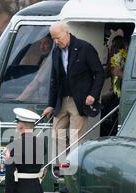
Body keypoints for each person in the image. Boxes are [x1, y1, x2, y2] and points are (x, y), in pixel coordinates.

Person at [42, 21, 104, 159]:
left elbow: (99, 73)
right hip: (62, 99)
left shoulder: (85, 48)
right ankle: (63, 164)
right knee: (57, 134)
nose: (56, 41)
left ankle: (73, 167)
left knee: (76, 136)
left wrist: (93, 95)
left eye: (58, 37)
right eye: (53, 39)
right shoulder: (56, 52)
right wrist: (51, 105)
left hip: (80, 100)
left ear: (67, 32)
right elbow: (54, 79)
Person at [101, 31, 128, 137]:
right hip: (115, 92)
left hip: (120, 93)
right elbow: (108, 72)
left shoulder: (121, 58)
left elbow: (116, 72)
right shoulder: (114, 60)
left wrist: (117, 72)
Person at [16, 34, 53, 101]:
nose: (42, 47)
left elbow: (34, 84)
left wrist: (18, 100)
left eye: (46, 43)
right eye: (41, 43)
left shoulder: (50, 60)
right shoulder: (46, 59)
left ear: (52, 45)